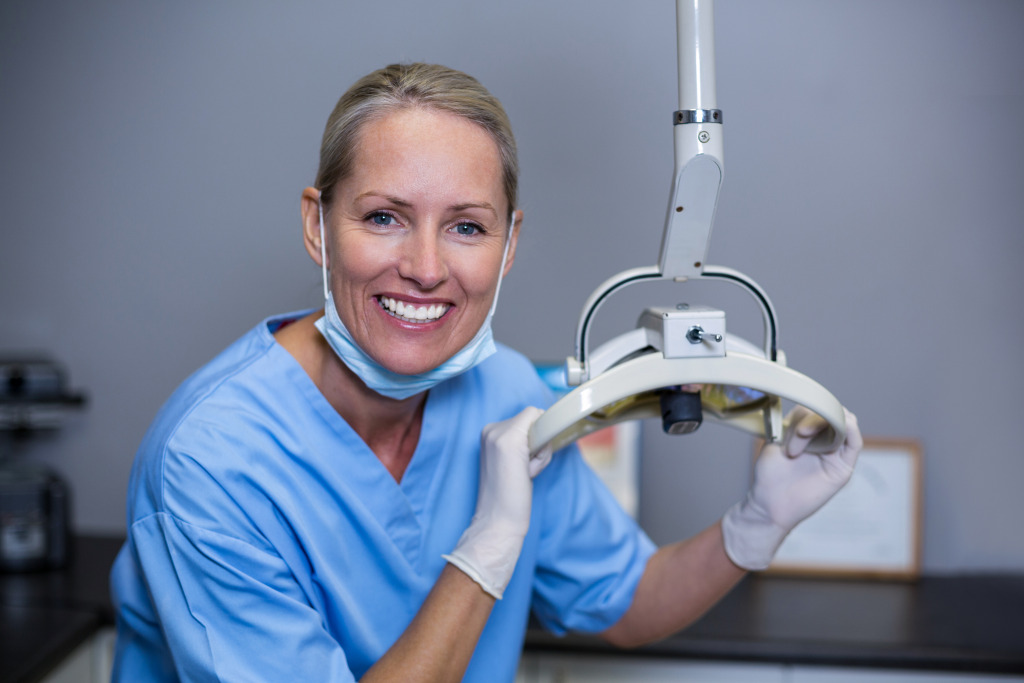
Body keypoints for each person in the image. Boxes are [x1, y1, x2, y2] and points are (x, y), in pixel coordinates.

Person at [109, 62, 862, 682]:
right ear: (317, 225)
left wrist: (751, 529)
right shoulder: (211, 461)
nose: (426, 268)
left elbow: (626, 600)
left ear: (508, 245)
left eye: (466, 226)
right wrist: (487, 546)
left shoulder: (504, 394)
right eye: (383, 217)